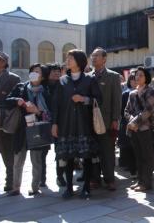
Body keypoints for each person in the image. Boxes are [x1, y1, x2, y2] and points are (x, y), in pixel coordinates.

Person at [51, 49, 101, 199]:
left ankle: (86, 187)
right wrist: (54, 124)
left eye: (71, 58)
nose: (68, 60)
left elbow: (99, 100)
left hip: (84, 123)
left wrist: (84, 99)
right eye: (67, 58)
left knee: (86, 156)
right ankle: (69, 188)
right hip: (66, 124)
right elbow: (56, 105)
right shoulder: (62, 81)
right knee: (68, 156)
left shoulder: (89, 80)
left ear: (79, 61)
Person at [6, 64, 51, 196]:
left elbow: (51, 114)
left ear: (42, 77)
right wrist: (17, 100)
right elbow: (6, 101)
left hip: (38, 129)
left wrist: (37, 111)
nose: (34, 73)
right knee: (18, 159)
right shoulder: (21, 87)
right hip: (21, 129)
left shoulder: (46, 91)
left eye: (37, 72)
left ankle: (35, 187)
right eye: (32, 71)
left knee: (36, 160)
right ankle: (15, 187)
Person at [89, 47, 122, 191]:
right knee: (93, 151)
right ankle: (95, 179)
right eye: (92, 56)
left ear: (104, 59)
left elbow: (117, 100)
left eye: (97, 56)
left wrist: (115, 119)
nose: (93, 58)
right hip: (90, 121)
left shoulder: (113, 76)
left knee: (107, 151)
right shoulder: (88, 76)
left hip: (107, 120)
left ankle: (110, 179)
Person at [125, 67, 154, 191]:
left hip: (146, 128)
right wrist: (131, 121)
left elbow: (149, 109)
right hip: (134, 129)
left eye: (141, 75)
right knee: (138, 156)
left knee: (147, 156)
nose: (137, 77)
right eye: (136, 75)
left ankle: (146, 183)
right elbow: (126, 110)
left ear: (146, 78)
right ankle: (139, 181)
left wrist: (135, 122)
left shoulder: (151, 91)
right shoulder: (132, 93)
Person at [0, 51, 20, 192]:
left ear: (4, 62)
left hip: (4, 119)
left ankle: (10, 181)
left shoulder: (13, 78)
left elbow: (16, 98)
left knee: (7, 153)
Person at [43, 63, 65, 186]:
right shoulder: (42, 85)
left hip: (59, 122)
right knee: (42, 151)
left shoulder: (63, 85)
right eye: (53, 71)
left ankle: (60, 176)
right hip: (44, 122)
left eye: (58, 71)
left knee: (60, 151)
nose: (56, 73)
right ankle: (42, 178)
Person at [119, 70, 137, 176]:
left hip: (140, 123)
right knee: (128, 146)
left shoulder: (142, 92)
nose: (134, 81)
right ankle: (131, 168)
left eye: (136, 79)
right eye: (132, 80)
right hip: (127, 122)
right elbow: (122, 110)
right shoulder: (125, 94)